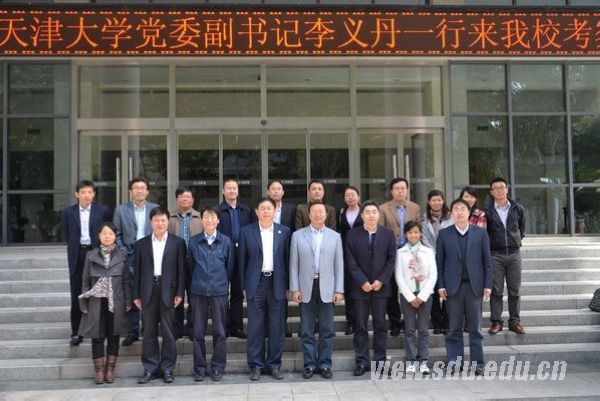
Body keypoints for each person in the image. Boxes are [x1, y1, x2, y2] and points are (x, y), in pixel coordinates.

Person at [436, 199, 492, 375]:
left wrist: (488, 284)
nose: (459, 212)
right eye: (456, 209)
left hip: (474, 287)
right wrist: (440, 286)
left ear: (469, 212)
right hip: (453, 289)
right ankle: (455, 362)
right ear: (452, 213)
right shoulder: (444, 234)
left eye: (462, 209)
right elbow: (439, 263)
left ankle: (478, 364)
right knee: (453, 328)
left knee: (475, 329)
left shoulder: (480, 234)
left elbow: (487, 262)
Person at [290, 202, 344, 380]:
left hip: (327, 286)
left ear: (326, 215)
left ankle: (325, 364)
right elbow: (294, 265)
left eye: (321, 212)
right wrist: (295, 288)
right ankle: (310, 364)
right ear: (309, 214)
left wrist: (339, 289)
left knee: (327, 329)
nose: (318, 214)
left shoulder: (335, 236)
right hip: (306, 286)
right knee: (307, 329)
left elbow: (339, 265)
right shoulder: (297, 236)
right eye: (315, 212)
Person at [239, 198, 291, 381]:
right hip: (256, 283)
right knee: (255, 327)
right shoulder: (246, 232)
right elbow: (241, 262)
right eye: (263, 208)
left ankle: (274, 365)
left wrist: (288, 286)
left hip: (277, 283)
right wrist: (243, 286)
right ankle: (256, 366)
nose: (266, 211)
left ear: (275, 211)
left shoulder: (284, 231)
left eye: (269, 208)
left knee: (277, 327)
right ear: (256, 211)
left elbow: (288, 260)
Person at [134, 207, 187, 384]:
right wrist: (136, 295)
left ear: (168, 222)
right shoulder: (141, 244)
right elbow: (137, 271)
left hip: (169, 291)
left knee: (168, 332)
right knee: (148, 331)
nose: (160, 223)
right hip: (147, 291)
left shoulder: (177, 243)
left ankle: (167, 368)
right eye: (156, 220)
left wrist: (180, 292)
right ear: (151, 222)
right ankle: (150, 368)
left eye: (163, 220)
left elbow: (182, 270)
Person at [345, 201, 396, 376]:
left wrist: (381, 280)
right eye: (367, 212)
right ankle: (362, 362)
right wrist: (362, 281)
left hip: (380, 288)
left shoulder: (388, 234)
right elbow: (350, 261)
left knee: (380, 325)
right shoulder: (352, 235)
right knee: (360, 326)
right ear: (362, 215)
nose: (371, 215)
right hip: (360, 288)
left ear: (379, 215)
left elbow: (391, 259)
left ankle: (380, 362)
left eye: (374, 212)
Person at [78, 222, 132, 384]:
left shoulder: (122, 255)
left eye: (110, 234)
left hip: (116, 301)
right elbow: (85, 280)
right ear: (99, 236)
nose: (107, 236)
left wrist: (128, 301)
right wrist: (83, 303)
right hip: (96, 302)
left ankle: (110, 369)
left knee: (114, 335)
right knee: (97, 336)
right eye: (104, 233)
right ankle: (99, 371)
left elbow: (126, 281)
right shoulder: (91, 255)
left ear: (115, 236)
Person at [61, 180, 112, 346]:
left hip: (96, 253)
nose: (86, 195)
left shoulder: (103, 211)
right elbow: (66, 234)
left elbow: (108, 231)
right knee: (77, 293)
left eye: (89, 192)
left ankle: (101, 329)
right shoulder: (67, 212)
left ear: (94, 194)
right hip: (77, 255)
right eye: (83, 192)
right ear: (77, 194)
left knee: (100, 291)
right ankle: (77, 332)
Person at [187, 208, 234, 382]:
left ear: (218, 221)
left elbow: (229, 267)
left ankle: (217, 367)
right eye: (206, 217)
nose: (209, 220)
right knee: (198, 332)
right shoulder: (194, 241)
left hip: (219, 291)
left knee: (220, 331)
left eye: (213, 217)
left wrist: (221, 283)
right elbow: (190, 267)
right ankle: (199, 368)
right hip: (198, 292)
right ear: (202, 220)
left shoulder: (226, 241)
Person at [113, 177, 158, 347]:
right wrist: (124, 251)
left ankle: (148, 328)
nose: (140, 191)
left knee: (149, 291)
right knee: (132, 291)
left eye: (142, 188)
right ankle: (133, 330)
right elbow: (116, 234)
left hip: (150, 254)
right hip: (129, 254)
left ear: (147, 191)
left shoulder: (155, 209)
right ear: (130, 191)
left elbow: (161, 230)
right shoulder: (121, 210)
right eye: (136, 188)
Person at [378, 177, 421, 337]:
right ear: (391, 191)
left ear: (407, 190)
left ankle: (411, 322)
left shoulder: (415, 208)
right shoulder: (383, 209)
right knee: (392, 289)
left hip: (411, 254)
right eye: (397, 188)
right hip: (391, 254)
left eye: (403, 188)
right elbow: (381, 232)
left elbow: (419, 231)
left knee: (411, 287)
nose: (400, 191)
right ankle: (395, 322)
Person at [395, 221, 437, 375]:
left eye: (416, 232)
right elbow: (399, 276)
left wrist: (422, 296)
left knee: (424, 330)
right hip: (407, 296)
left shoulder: (428, 252)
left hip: (425, 295)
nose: (413, 235)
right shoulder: (401, 253)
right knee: (410, 329)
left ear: (420, 234)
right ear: (406, 234)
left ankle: (423, 361)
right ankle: (411, 360)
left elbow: (433, 275)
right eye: (410, 232)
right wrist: (410, 296)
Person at [486, 177, 526, 335]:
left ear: (507, 189)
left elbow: (521, 229)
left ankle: (514, 322)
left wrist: (515, 241)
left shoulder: (517, 208)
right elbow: (486, 233)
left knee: (514, 290)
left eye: (502, 187)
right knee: (496, 290)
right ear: (491, 192)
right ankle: (496, 322)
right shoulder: (488, 211)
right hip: (496, 254)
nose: (499, 190)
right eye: (495, 188)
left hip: (514, 254)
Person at [217, 177, 255, 339]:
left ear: (238, 191)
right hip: (222, 255)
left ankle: (237, 327)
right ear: (223, 191)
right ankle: (223, 327)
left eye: (234, 188)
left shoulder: (246, 211)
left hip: (242, 255)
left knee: (238, 293)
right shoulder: (217, 211)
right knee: (222, 292)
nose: (232, 191)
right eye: (229, 188)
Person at [168, 187, 203, 339]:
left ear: (193, 200)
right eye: (182, 196)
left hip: (195, 263)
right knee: (176, 296)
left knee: (194, 297)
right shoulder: (170, 218)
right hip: (175, 263)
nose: (185, 199)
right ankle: (177, 329)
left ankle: (192, 329)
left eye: (188, 197)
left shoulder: (200, 217)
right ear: (177, 199)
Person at [421, 189, 454, 335]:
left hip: (448, 259)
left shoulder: (451, 218)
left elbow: (452, 237)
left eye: (439, 200)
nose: (436, 202)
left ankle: (446, 322)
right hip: (430, 259)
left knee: (448, 291)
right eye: (433, 200)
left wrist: (443, 253)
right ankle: (437, 323)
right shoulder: (424, 219)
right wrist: (434, 254)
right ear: (429, 202)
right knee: (433, 292)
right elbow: (424, 238)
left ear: (443, 201)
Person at [267, 178, 296, 338]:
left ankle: (282, 327)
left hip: (284, 256)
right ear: (268, 191)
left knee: (282, 293)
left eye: (279, 189)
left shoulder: (291, 210)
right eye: (273, 188)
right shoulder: (262, 208)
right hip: (265, 255)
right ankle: (267, 327)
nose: (276, 191)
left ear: (283, 192)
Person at [337, 186, 363, 336]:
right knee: (348, 289)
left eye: (353, 194)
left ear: (358, 196)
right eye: (347, 195)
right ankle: (351, 322)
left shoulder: (365, 212)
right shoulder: (341, 213)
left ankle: (361, 322)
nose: (350, 197)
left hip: (362, 254)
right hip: (346, 254)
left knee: (361, 288)